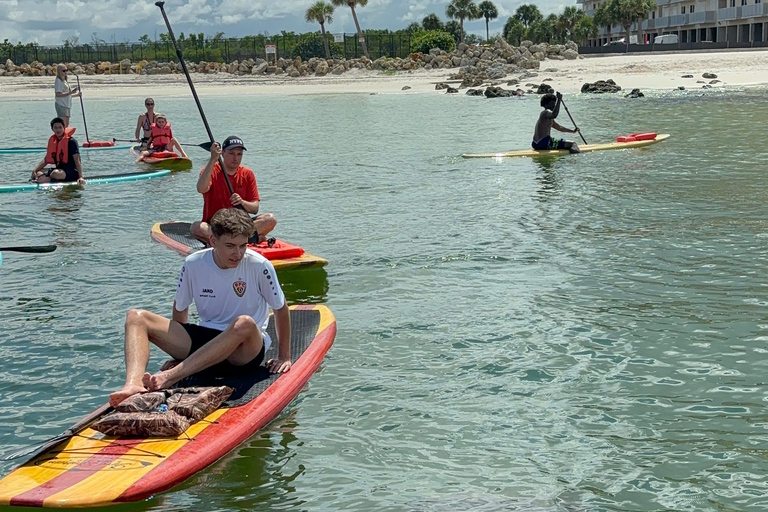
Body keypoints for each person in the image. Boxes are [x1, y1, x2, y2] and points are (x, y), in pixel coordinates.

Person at [109, 208, 292, 407]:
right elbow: (180, 309)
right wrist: (178, 353)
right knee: (136, 317)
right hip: (206, 339)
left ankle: (170, 377)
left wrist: (284, 356)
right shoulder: (193, 263)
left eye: (242, 245)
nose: (237, 253)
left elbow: (281, 308)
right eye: (230, 246)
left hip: (244, 351)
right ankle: (132, 385)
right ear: (213, 241)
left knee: (244, 323)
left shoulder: (259, 265)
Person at [191, 136, 276, 245]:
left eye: (239, 154)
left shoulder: (247, 174)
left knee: (270, 219)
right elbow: (201, 188)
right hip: (216, 226)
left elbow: (255, 208)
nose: (235, 158)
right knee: (197, 228)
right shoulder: (209, 170)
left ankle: (229, 241)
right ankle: (248, 239)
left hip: (240, 224)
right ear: (222, 153)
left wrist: (242, 202)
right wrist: (213, 159)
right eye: (231, 153)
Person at [31, 117, 85, 185]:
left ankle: (45, 179)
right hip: (59, 169)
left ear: (64, 128)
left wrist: (81, 177)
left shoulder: (72, 142)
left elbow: (77, 161)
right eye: (55, 128)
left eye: (60, 127)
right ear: (52, 129)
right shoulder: (54, 141)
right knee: (38, 171)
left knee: (55, 173)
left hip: (70, 172)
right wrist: (34, 170)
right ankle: (45, 178)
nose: (58, 130)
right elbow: (46, 159)